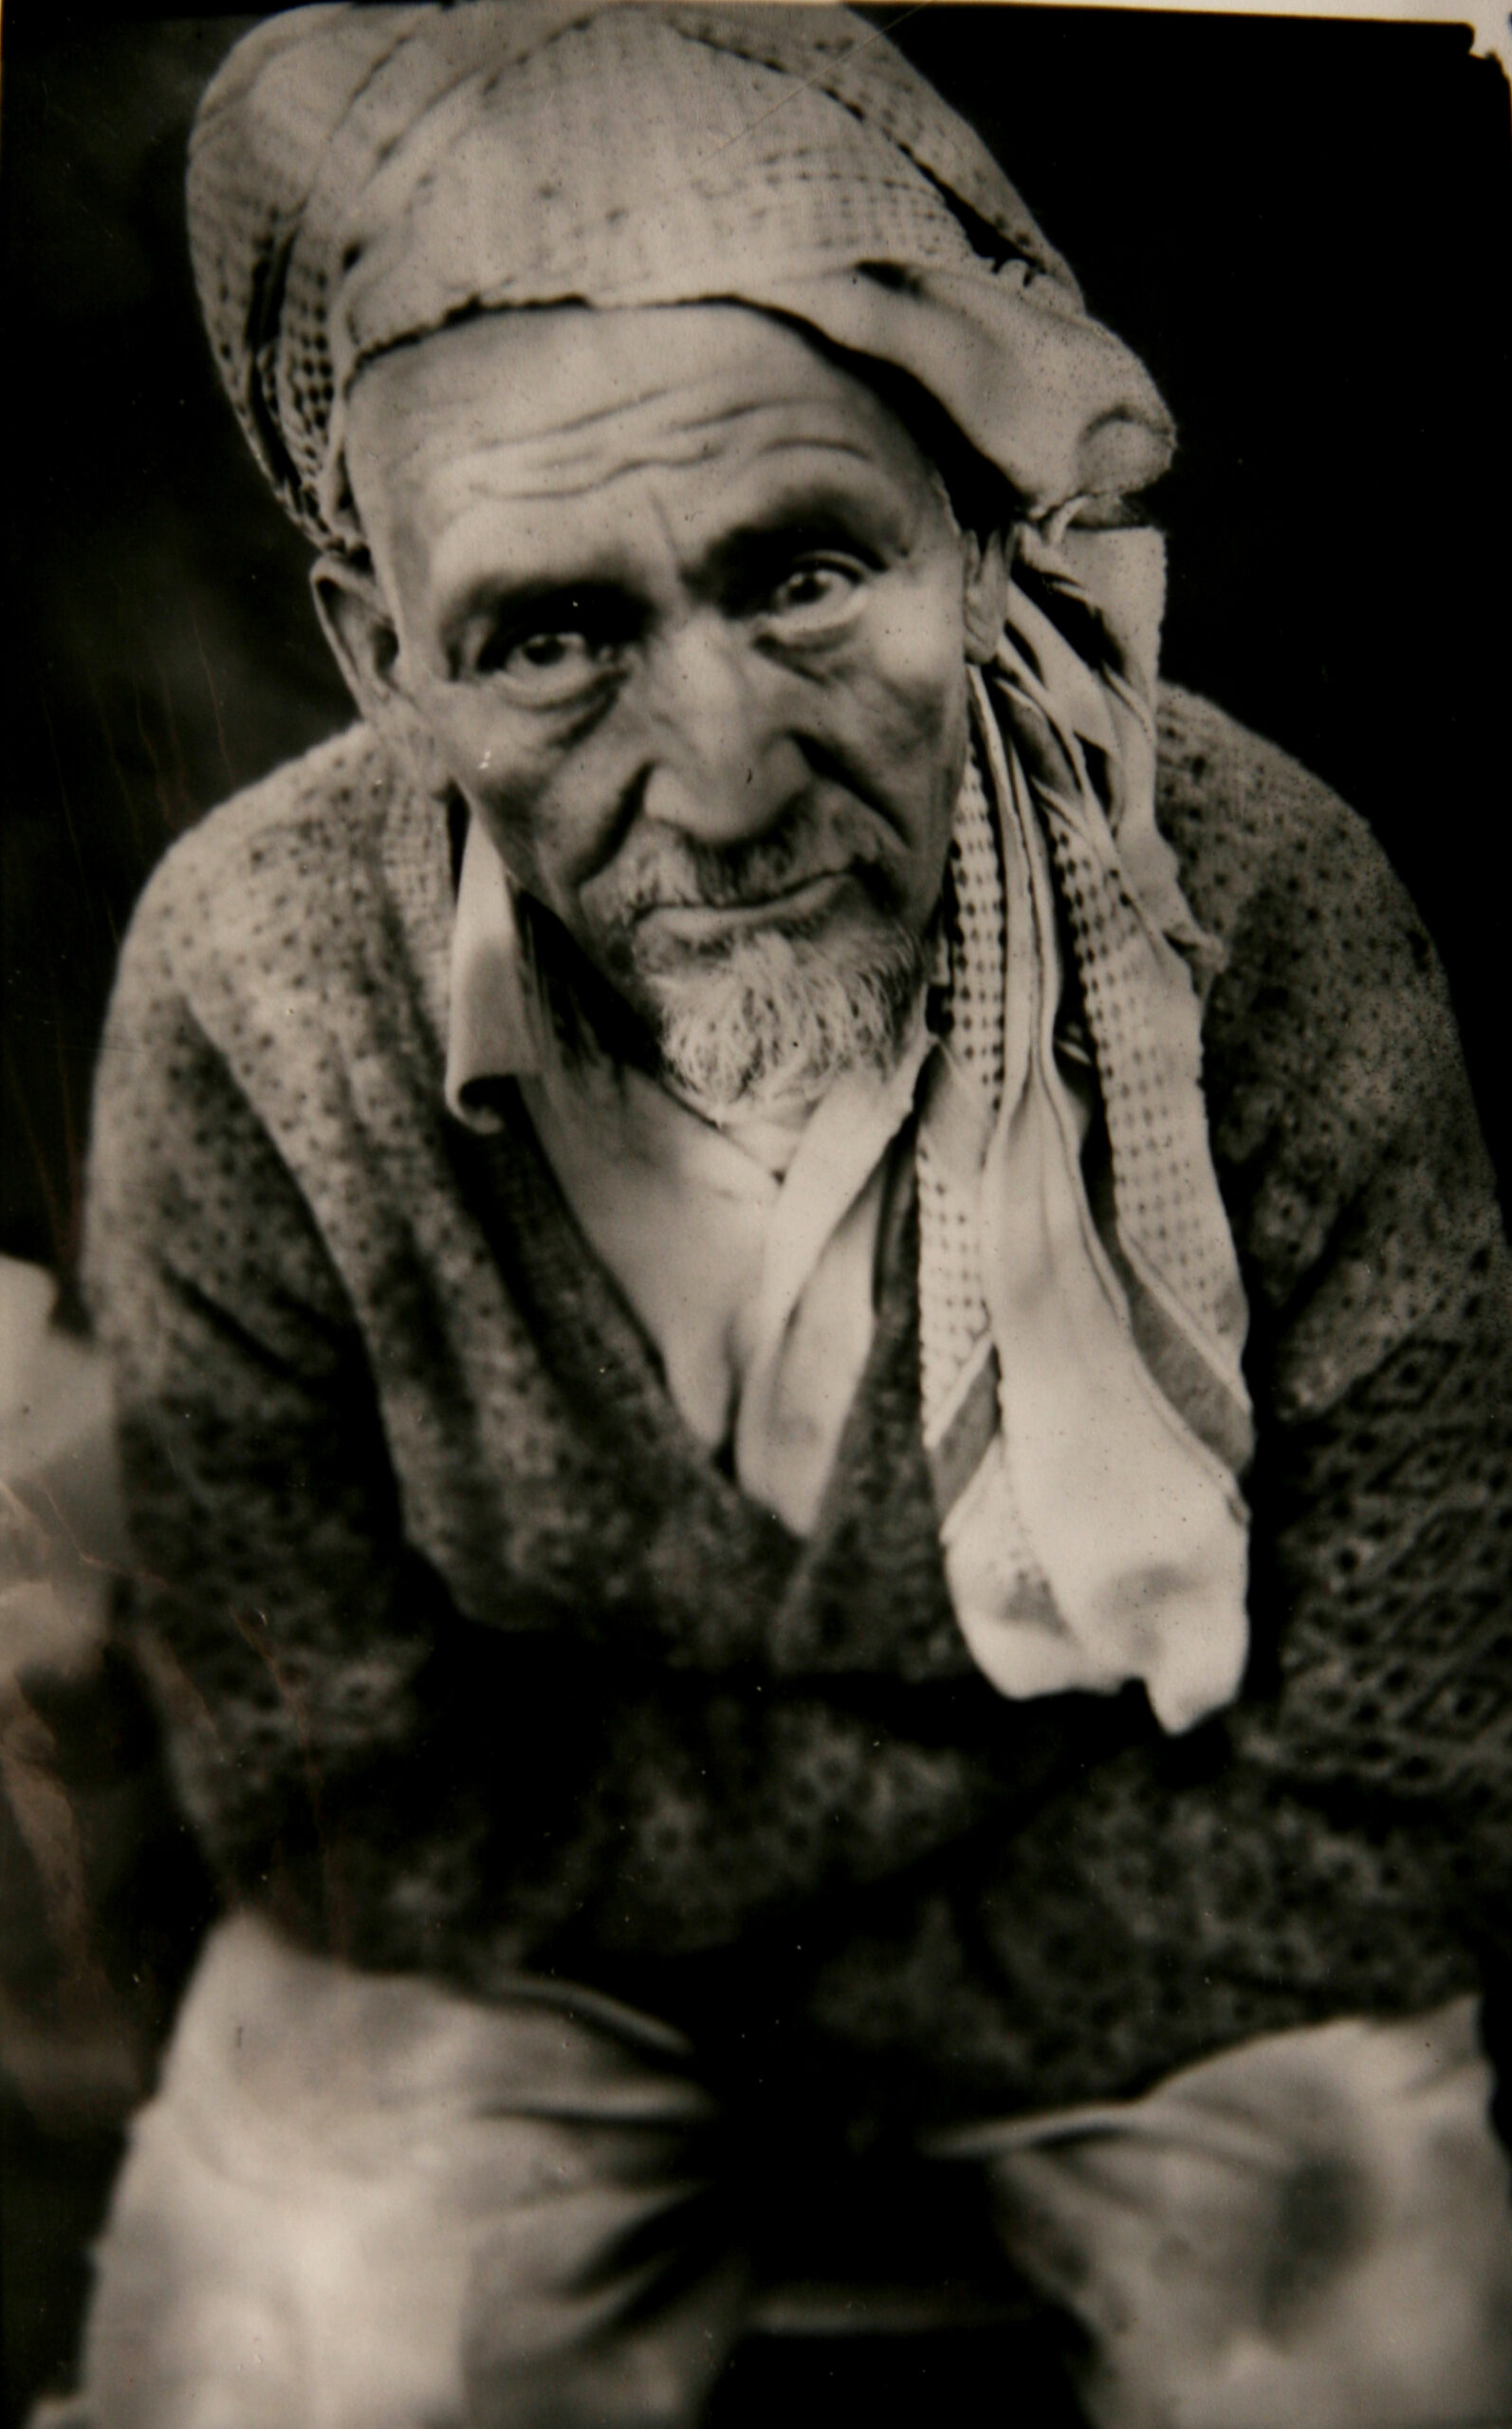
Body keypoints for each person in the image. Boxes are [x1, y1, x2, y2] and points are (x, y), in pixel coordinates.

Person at [75, 6, 1512, 2423]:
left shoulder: (1255, 913)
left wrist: (789, 1978)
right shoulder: (253, 980)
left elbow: (1389, 1786)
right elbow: (343, 1816)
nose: (723, 783)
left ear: (976, 539)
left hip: (1184, 1960)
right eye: (549, 636)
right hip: (523, 1993)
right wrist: (988, 1781)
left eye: (807, 575)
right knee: (288, 2329)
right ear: (374, 652)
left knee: (1367, 2313)